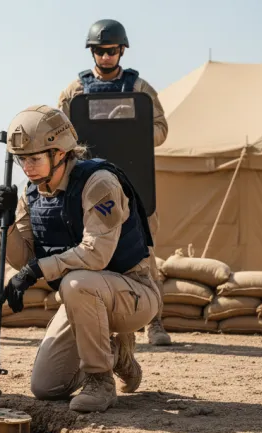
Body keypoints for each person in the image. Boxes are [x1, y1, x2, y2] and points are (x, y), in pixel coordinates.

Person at [0, 105, 160, 412]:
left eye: (34, 158)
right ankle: (115, 353)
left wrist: (36, 270)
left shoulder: (100, 183)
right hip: (83, 299)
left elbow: (95, 254)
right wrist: (5, 224)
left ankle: (100, 380)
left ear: (60, 152)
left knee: (76, 281)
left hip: (133, 294)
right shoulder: (33, 193)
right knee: (46, 387)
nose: (26, 167)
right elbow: (22, 258)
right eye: (21, 159)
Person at [57, 19, 171, 345]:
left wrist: (131, 130)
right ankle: (95, 320)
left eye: (111, 52)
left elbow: (161, 131)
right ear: (92, 53)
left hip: (133, 183)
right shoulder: (74, 92)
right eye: (100, 52)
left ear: (121, 51)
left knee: (144, 253)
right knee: (90, 251)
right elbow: (61, 134)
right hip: (91, 183)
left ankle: (155, 323)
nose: (106, 58)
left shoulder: (140, 89)